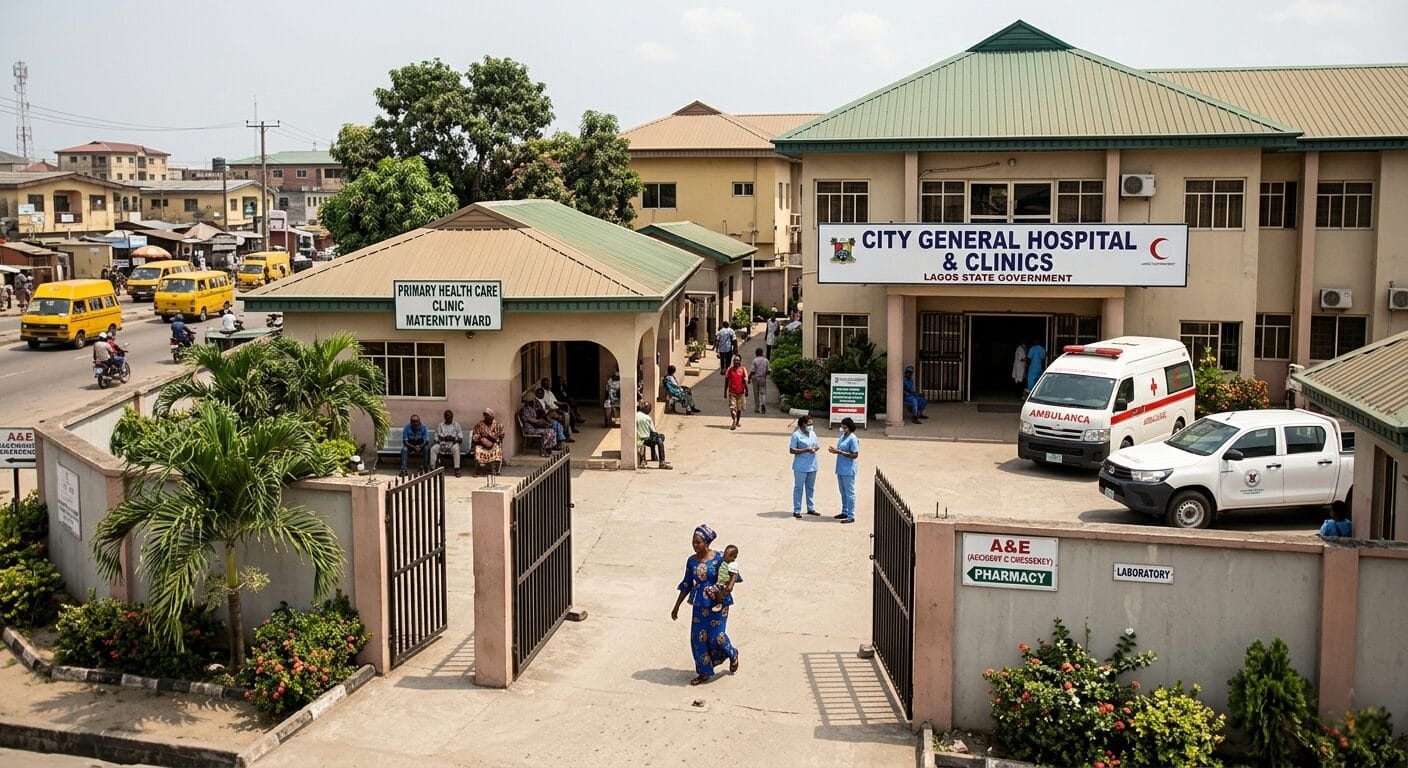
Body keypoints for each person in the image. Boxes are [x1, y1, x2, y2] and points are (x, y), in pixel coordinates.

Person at [670, 524, 741, 686]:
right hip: (700, 604)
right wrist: (676, 606)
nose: (695, 545)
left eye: (698, 542)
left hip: (718, 602)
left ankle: (732, 653)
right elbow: (686, 584)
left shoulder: (720, 558)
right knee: (698, 638)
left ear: (707, 543)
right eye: (693, 542)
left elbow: (734, 574)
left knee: (717, 637)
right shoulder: (691, 561)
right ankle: (704, 672)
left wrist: (726, 590)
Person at [829, 417, 860, 524]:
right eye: (841, 427)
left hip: (848, 469)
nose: (843, 429)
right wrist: (836, 451)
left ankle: (851, 515)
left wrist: (841, 452)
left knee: (849, 493)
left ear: (849, 427)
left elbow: (855, 454)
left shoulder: (853, 438)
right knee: (843, 492)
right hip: (841, 468)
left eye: (845, 427)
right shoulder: (842, 436)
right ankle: (845, 511)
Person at [790, 415, 821, 518]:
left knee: (810, 488)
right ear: (803, 424)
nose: (811, 426)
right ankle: (797, 509)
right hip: (801, 466)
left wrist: (815, 448)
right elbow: (792, 450)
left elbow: (816, 445)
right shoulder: (796, 435)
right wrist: (806, 450)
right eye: (809, 424)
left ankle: (810, 508)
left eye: (811, 424)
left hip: (812, 465)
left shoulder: (813, 433)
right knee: (799, 488)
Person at [519, 391, 559, 456]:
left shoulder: (531, 409)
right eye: (533, 400)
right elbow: (532, 421)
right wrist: (541, 422)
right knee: (548, 433)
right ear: (530, 401)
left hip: (534, 427)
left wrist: (541, 421)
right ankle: (542, 449)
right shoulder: (524, 410)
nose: (535, 401)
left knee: (552, 431)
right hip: (530, 429)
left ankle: (548, 448)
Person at [635, 401, 672, 470]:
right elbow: (653, 431)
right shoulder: (647, 418)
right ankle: (662, 462)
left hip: (638, 438)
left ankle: (653, 456)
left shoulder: (635, 415)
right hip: (644, 440)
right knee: (659, 439)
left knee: (654, 437)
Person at [471, 408, 506, 476]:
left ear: (492, 417)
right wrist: (481, 438)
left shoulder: (497, 425)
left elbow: (502, 435)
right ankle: (477, 470)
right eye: (486, 416)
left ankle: (493, 470)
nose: (487, 418)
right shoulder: (480, 424)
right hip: (482, 444)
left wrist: (496, 437)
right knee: (478, 450)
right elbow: (475, 435)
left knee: (496, 449)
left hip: (493, 444)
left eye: (489, 417)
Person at [704, 545, 740, 611]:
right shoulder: (723, 562)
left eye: (727, 556)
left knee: (720, 595)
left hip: (724, 585)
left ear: (734, 557)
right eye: (724, 555)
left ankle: (719, 603)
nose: (725, 557)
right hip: (719, 583)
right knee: (708, 589)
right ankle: (716, 600)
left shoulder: (732, 565)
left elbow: (734, 576)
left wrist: (730, 586)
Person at [435, 409, 464, 477]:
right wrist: (443, 439)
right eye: (446, 416)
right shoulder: (440, 425)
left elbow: (460, 438)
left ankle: (457, 469)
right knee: (433, 449)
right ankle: (433, 469)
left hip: (453, 443)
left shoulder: (456, 425)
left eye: (449, 417)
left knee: (456, 448)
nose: (448, 418)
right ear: (444, 417)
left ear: (452, 417)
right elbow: (436, 437)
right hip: (442, 443)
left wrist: (453, 439)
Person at [725, 354, 749, 430]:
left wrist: (746, 390)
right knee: (732, 408)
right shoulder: (730, 370)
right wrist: (725, 391)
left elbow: (745, 381)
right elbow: (726, 380)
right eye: (735, 360)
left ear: (740, 361)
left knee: (739, 409)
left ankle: (737, 421)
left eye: (737, 360)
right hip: (732, 392)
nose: (736, 361)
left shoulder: (743, 369)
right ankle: (734, 421)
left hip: (741, 392)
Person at [750, 347, 770, 414]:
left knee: (756, 394)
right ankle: (763, 405)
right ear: (762, 353)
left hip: (755, 378)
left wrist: (749, 377)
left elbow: (752, 371)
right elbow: (768, 371)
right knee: (763, 393)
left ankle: (757, 408)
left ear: (756, 353)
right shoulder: (766, 361)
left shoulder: (754, 361)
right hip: (763, 378)